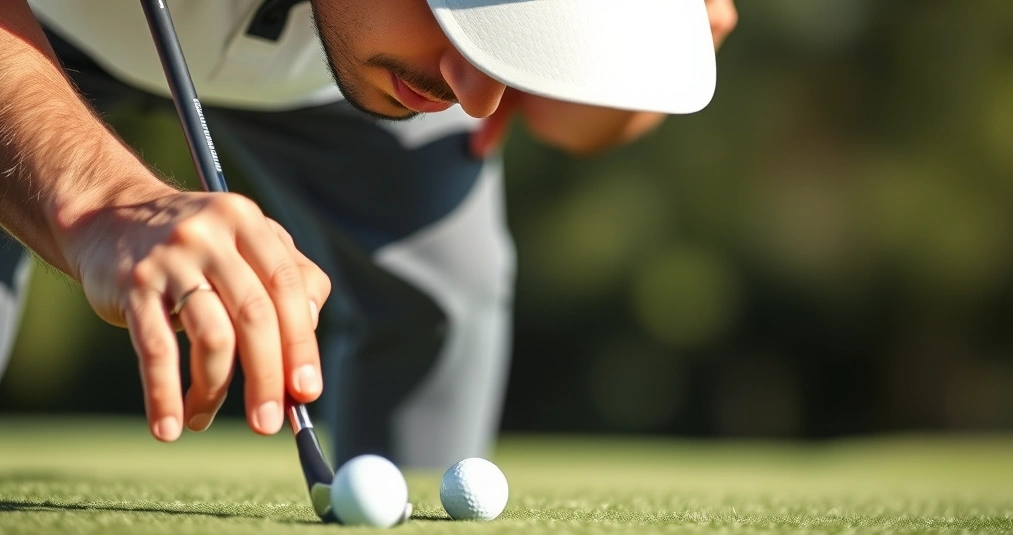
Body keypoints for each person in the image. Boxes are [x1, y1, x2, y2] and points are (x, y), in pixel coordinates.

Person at [0, 0, 737, 468]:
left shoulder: (438, 69)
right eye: (453, 14)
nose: (479, 99)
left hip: (320, 73)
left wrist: (617, 60)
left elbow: (579, 122)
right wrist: (96, 199)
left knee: (449, 293)